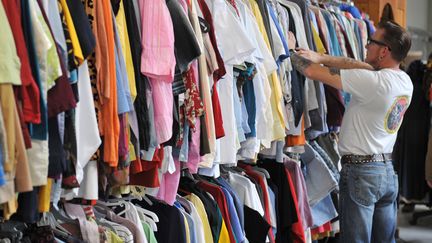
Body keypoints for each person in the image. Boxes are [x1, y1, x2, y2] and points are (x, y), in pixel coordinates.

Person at [288, 21, 413, 243]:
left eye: (371, 42)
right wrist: (321, 56)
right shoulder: (404, 81)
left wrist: (288, 48)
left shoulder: (373, 82)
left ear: (384, 51)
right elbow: (355, 64)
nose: (366, 47)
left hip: (361, 172)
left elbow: (309, 70)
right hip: (386, 172)